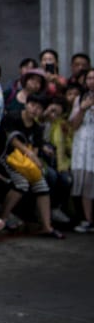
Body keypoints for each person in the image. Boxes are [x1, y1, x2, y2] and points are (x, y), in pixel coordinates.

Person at [0, 94, 63, 238]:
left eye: (39, 108)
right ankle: (2, 218)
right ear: (26, 104)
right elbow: (12, 139)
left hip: (26, 163)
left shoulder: (37, 127)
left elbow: (36, 148)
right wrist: (31, 155)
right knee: (22, 183)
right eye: (32, 105)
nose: (35, 110)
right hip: (7, 160)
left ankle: (46, 226)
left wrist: (36, 162)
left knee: (42, 185)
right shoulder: (12, 117)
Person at [70, 69, 94, 232]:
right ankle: (88, 220)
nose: (92, 81)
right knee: (85, 181)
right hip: (83, 142)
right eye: (89, 78)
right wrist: (83, 108)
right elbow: (73, 125)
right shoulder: (80, 99)